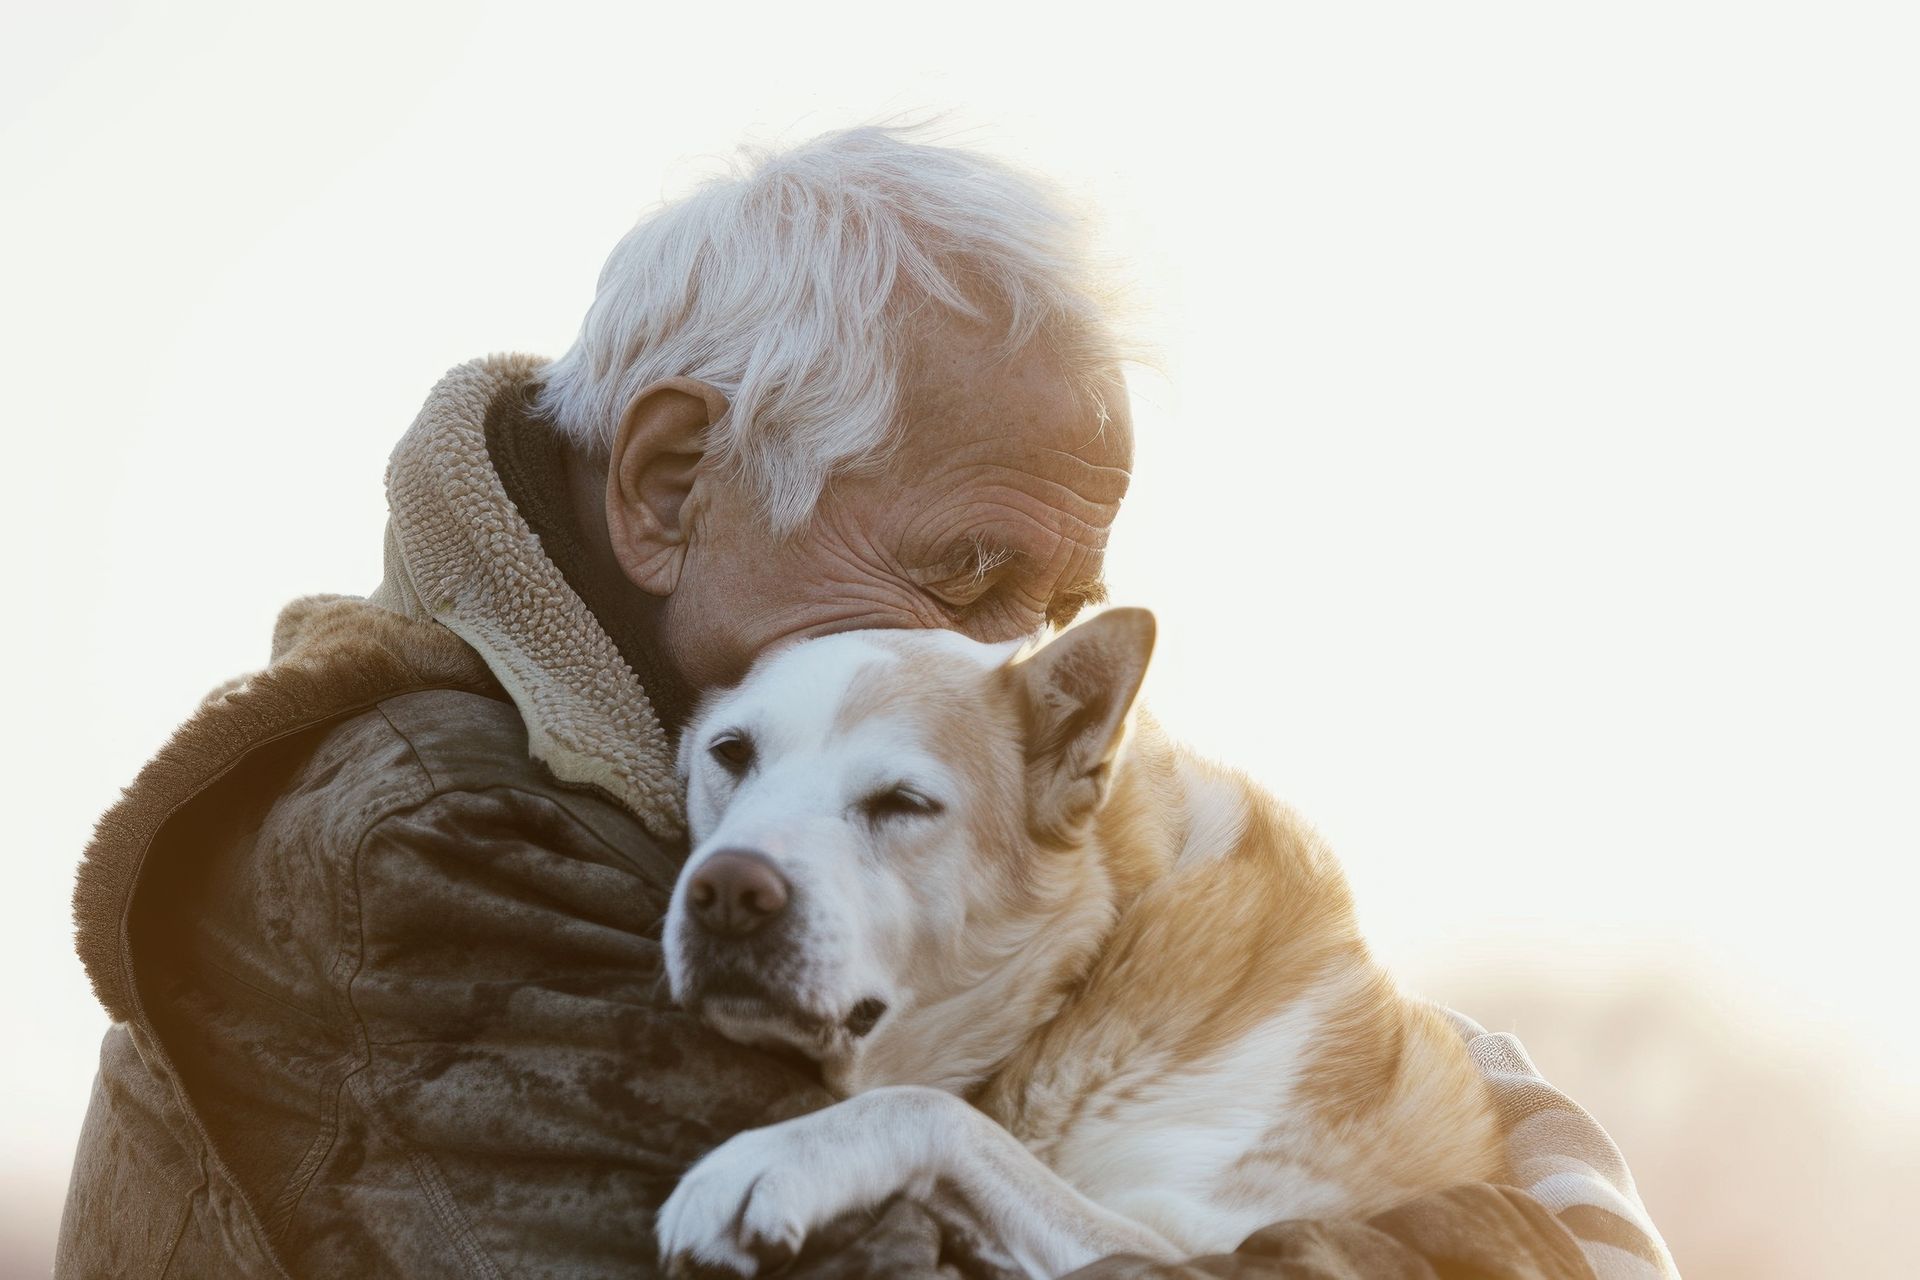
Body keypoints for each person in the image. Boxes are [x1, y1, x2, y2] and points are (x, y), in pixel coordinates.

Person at [57, 127, 1675, 1279]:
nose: (1000, 664)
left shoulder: (667, 775)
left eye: (1053, 606)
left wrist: (1412, 1065)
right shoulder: (444, 844)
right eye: (964, 573)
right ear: (672, 483)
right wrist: (1525, 1224)